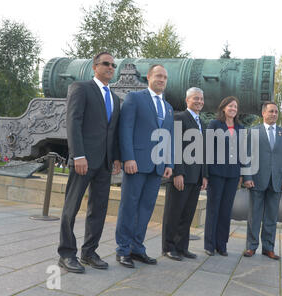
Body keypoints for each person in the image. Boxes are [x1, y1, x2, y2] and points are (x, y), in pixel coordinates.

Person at [57, 52, 121, 273]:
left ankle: (89, 252)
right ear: (95, 67)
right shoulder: (81, 88)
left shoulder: (115, 98)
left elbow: (113, 131)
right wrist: (78, 155)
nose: (110, 67)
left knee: (99, 210)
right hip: (83, 160)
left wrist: (115, 158)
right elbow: (73, 122)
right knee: (71, 207)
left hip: (104, 163)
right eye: (106, 64)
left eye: (113, 65)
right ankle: (66, 254)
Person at [115, 64, 174, 267]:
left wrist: (169, 162)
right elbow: (126, 129)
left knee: (146, 208)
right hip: (136, 164)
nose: (161, 79)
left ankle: (137, 248)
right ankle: (123, 249)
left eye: (164, 77)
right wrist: (128, 158)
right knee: (129, 206)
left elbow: (169, 137)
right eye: (158, 75)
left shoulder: (168, 107)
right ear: (149, 77)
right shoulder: (135, 98)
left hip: (157, 167)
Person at [242, 102, 282, 260]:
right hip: (256, 179)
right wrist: (247, 177)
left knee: (272, 217)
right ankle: (251, 247)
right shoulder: (253, 131)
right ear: (263, 113)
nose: (274, 114)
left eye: (276, 112)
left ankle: (268, 248)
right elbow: (246, 155)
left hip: (277, 181)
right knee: (254, 216)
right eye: (271, 111)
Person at [161, 87, 208, 261]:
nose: (199, 102)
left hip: (196, 177)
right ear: (187, 100)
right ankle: (168, 247)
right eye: (196, 98)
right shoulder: (179, 118)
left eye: (201, 99)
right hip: (181, 175)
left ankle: (182, 247)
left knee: (187, 214)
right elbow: (174, 146)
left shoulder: (202, 123)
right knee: (173, 213)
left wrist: (204, 175)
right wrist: (177, 173)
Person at [204, 96, 244, 256]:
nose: (233, 109)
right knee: (213, 209)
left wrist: (241, 174)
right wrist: (205, 174)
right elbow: (206, 149)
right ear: (223, 108)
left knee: (226, 210)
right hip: (216, 174)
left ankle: (222, 244)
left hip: (233, 175)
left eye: (235, 107)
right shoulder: (215, 125)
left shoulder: (240, 128)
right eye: (230, 106)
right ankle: (209, 244)